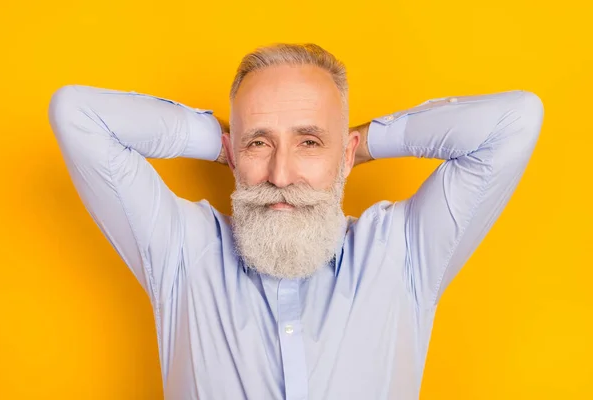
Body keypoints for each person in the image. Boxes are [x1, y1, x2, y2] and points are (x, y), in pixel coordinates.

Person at [48, 43, 544, 400]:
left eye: (309, 142)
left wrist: (364, 143)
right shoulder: (182, 252)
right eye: (259, 144)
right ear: (232, 154)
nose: (281, 175)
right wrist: (224, 139)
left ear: (345, 154)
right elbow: (77, 113)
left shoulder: (402, 250)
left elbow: (517, 120)